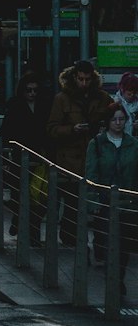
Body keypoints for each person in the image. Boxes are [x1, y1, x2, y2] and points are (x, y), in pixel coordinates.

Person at [47, 59, 112, 244]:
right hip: (70, 159)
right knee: (72, 200)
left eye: (87, 79)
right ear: (74, 77)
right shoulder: (62, 99)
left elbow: (112, 118)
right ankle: (70, 236)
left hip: (93, 157)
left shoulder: (102, 98)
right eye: (81, 79)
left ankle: (91, 239)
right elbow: (51, 128)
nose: (84, 83)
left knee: (93, 201)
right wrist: (71, 129)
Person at [85, 103, 138, 291]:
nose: (118, 123)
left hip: (127, 202)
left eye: (121, 119)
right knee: (108, 242)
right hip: (105, 202)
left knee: (124, 244)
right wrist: (93, 201)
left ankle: (119, 277)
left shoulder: (133, 144)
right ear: (107, 121)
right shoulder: (97, 143)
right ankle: (112, 279)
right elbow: (91, 173)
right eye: (114, 119)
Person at [0, 72, 50, 243]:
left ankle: (32, 231)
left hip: (39, 157)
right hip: (20, 157)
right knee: (20, 195)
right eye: (28, 90)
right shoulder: (15, 107)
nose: (32, 94)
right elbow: (5, 132)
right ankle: (22, 225)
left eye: (35, 90)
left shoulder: (44, 107)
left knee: (38, 198)